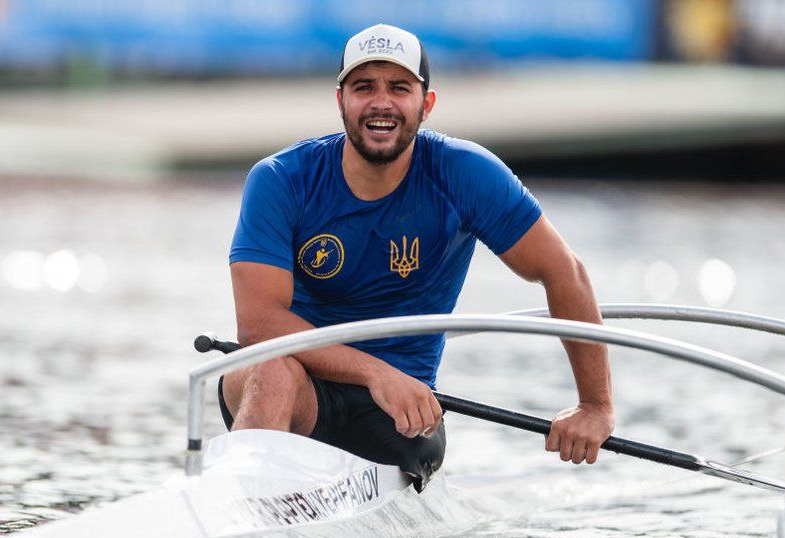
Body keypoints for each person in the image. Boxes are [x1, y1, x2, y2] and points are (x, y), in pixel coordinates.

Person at [220, 24, 613, 490]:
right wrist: (376, 372)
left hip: (398, 413)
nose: (381, 103)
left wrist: (594, 406)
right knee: (271, 365)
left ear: (425, 105)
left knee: (290, 372)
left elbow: (563, 271)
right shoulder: (281, 179)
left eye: (399, 88)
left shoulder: (466, 174)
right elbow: (260, 325)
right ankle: (239, 502)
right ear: (341, 100)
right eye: (364, 87)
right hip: (293, 384)